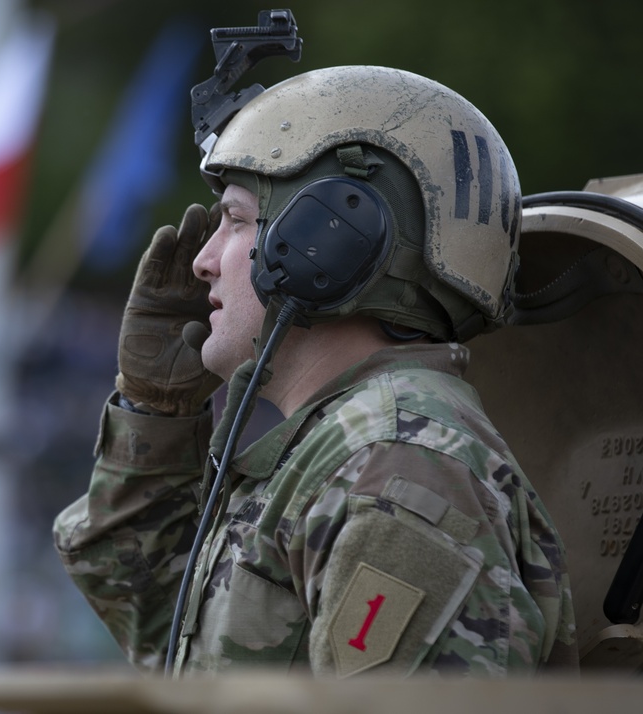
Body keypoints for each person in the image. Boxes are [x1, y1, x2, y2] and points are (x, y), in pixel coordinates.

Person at [53, 62, 578, 678]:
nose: (202, 260)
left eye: (237, 219)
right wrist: (155, 415)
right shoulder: (339, 450)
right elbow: (170, 646)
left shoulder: (398, 464)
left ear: (333, 239)